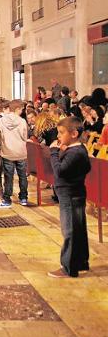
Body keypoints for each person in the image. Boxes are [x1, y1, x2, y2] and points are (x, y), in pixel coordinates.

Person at [48, 117, 91, 278]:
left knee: (70, 231)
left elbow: (60, 171)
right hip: (75, 192)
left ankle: (69, 267)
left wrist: (53, 153)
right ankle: (81, 262)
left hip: (70, 194)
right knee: (78, 229)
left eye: (61, 133)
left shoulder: (75, 152)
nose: (58, 136)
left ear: (74, 134)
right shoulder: (78, 150)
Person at [0, 100, 29, 208]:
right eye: (22, 109)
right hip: (20, 152)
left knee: (8, 176)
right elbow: (25, 137)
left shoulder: (1, 121)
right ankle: (23, 198)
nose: (22, 111)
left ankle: (7, 199)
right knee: (22, 176)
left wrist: (2, 145)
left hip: (7, 152)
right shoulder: (22, 121)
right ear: (17, 109)